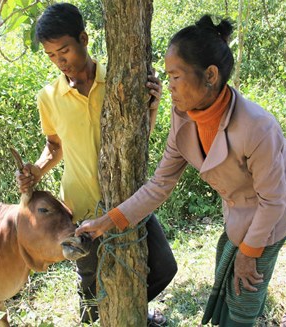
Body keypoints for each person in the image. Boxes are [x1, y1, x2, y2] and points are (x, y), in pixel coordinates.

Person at [76, 15, 286, 326]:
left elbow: (274, 200)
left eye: (175, 77)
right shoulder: (183, 116)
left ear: (210, 75)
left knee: (246, 283)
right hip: (240, 204)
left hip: (276, 208)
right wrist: (107, 221)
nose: (169, 87)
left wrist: (249, 253)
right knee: (228, 268)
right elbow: (160, 184)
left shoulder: (256, 127)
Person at [16, 3, 177, 326]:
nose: (61, 62)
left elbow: (136, 136)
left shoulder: (118, 81)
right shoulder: (49, 97)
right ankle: (99, 319)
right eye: (51, 56)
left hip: (128, 199)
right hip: (82, 208)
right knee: (89, 284)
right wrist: (36, 170)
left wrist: (153, 107)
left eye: (65, 51)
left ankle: (126, 309)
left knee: (163, 267)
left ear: (84, 39)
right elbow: (54, 146)